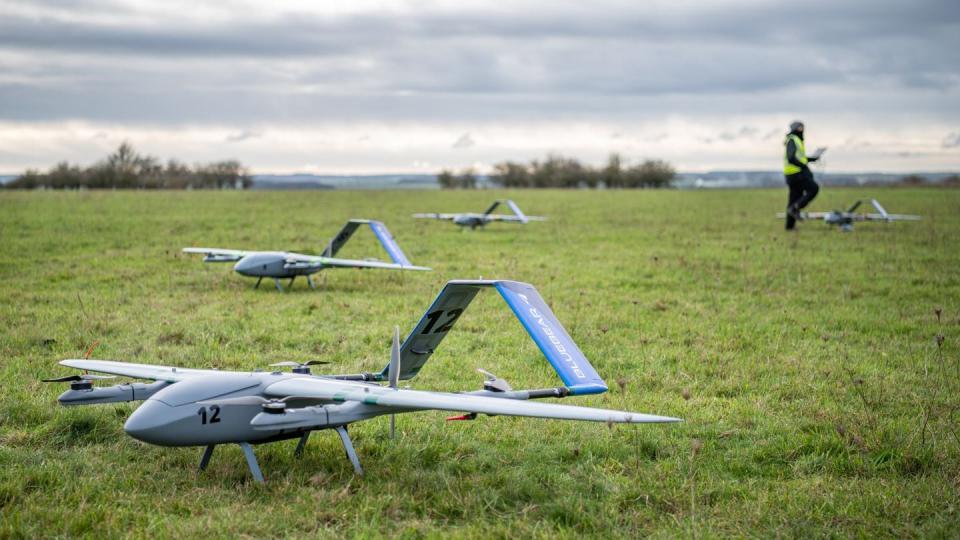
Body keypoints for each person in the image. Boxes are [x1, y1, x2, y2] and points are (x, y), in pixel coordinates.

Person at [783, 120, 821, 230]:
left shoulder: (795, 140)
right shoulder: (793, 140)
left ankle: (789, 226)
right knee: (814, 188)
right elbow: (791, 158)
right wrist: (803, 166)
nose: (802, 130)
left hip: (792, 174)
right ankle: (796, 207)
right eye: (801, 128)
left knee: (794, 197)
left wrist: (812, 159)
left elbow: (800, 158)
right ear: (796, 129)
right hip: (796, 173)